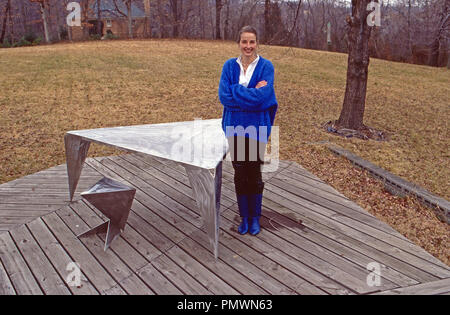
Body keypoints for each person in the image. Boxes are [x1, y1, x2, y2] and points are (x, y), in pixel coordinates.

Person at [218, 25, 278, 236]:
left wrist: (237, 92)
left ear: (257, 43)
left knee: (254, 174)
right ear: (238, 43)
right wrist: (250, 93)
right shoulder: (229, 66)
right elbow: (224, 97)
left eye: (252, 42)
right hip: (234, 128)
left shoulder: (266, 67)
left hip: (256, 129)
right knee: (240, 174)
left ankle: (255, 217)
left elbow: (264, 98)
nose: (248, 46)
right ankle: (244, 216)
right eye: (244, 41)